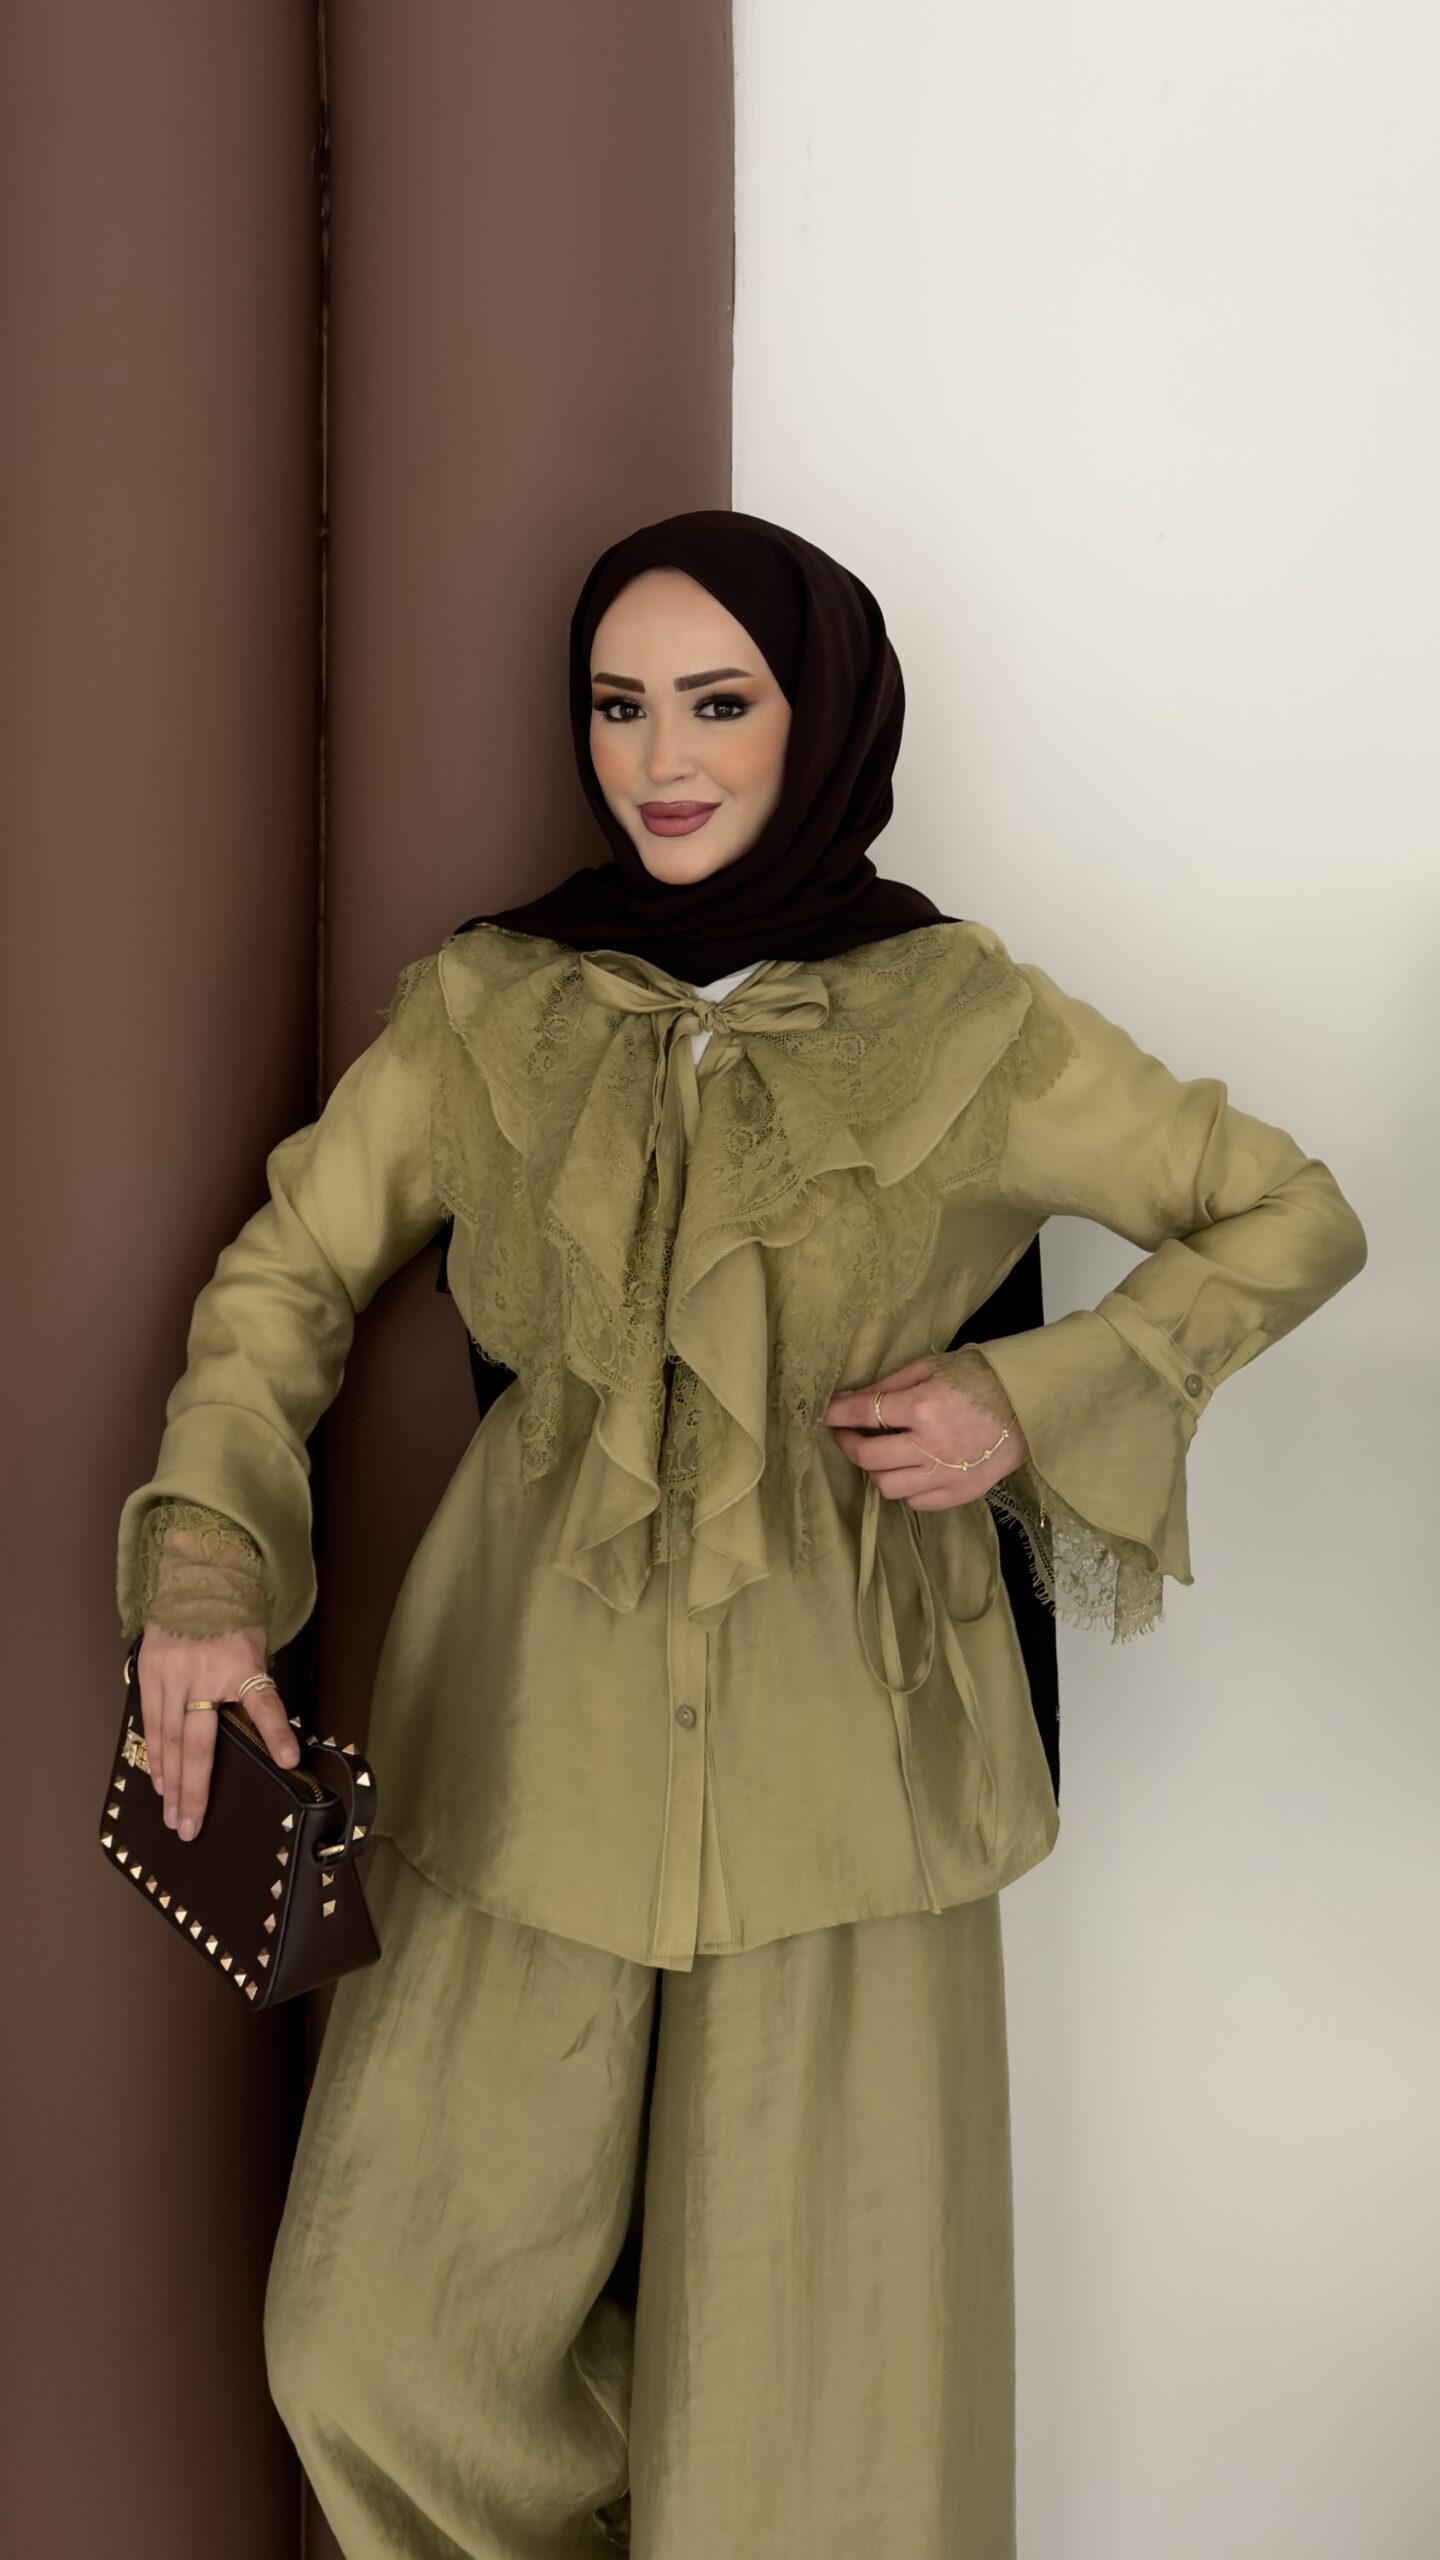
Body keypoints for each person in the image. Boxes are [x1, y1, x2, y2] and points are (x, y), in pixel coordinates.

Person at [115, 509, 1368, 2558]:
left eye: (718, 702)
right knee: (371, 2343)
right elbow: (287, 1278)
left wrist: (1024, 1395)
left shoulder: (971, 1019)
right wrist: (204, 1578)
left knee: (824, 2434)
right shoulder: (492, 1009)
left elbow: (1291, 1212)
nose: (661, 758)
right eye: (619, 706)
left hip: (851, 1770)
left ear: (825, 716)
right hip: (520, 1756)